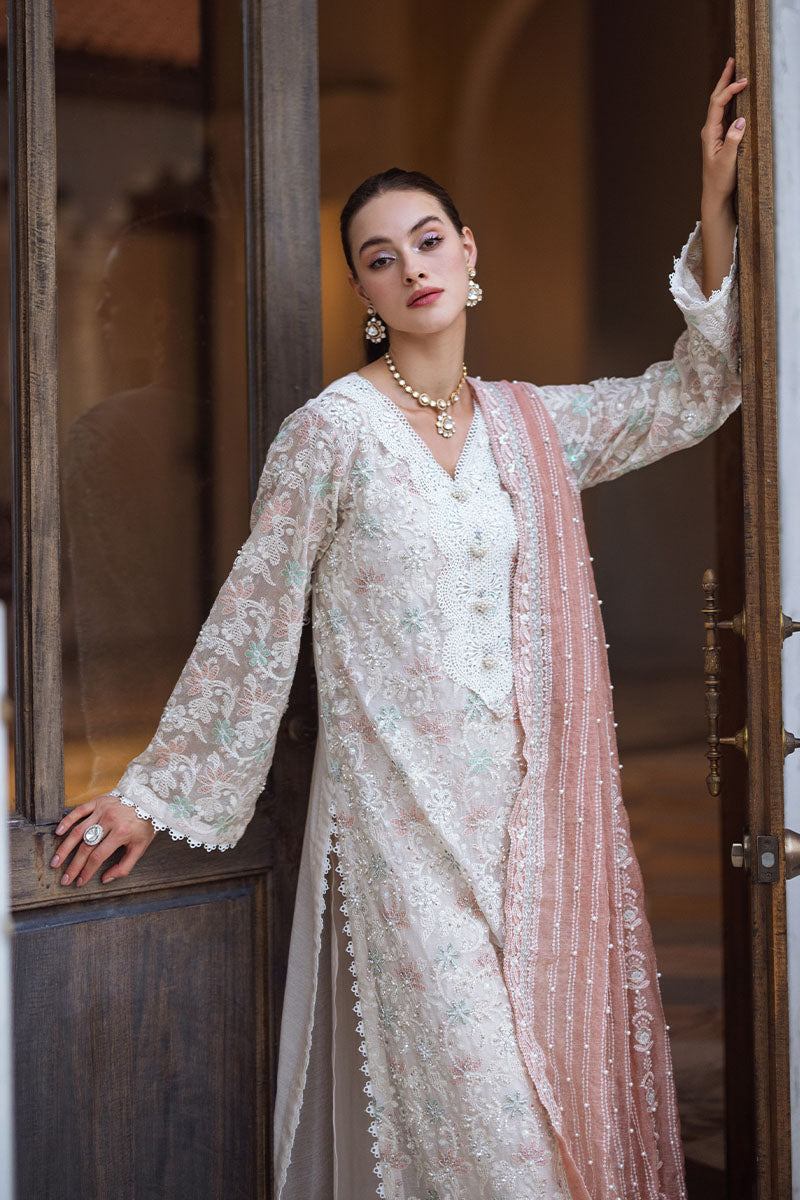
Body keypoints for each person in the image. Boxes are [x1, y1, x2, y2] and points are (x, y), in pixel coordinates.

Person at [50, 60, 747, 1200]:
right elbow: (254, 616)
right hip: (404, 841)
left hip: (531, 838)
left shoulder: (530, 427)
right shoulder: (331, 435)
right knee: (496, 1146)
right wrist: (152, 792)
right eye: (381, 257)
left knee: (550, 1123)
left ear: (468, 253)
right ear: (363, 290)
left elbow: (699, 390)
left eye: (427, 242)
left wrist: (712, 199)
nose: (412, 267)